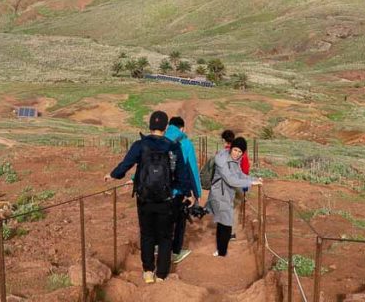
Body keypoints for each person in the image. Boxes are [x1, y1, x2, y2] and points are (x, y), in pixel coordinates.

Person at [106, 110, 196, 283]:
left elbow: (125, 165)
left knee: (147, 234)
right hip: (166, 200)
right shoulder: (173, 146)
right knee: (165, 237)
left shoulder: (140, 145)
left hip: (144, 198)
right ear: (165, 127)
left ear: (150, 125)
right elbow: (183, 173)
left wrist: (113, 175)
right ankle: (161, 275)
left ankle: (148, 271)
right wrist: (188, 193)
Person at [206, 136, 261, 257]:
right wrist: (250, 183)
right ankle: (222, 252)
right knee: (226, 224)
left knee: (222, 223)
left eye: (240, 151)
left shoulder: (236, 161)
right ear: (231, 148)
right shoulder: (222, 160)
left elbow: (239, 174)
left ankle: (220, 251)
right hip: (219, 195)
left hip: (226, 194)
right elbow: (231, 180)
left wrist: (253, 179)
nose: (237, 153)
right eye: (235, 149)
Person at [164, 116, 200, 265]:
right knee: (179, 221)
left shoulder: (160, 140)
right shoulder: (186, 143)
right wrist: (196, 193)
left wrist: (134, 179)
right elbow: (192, 169)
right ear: (182, 128)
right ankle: (175, 252)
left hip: (161, 190)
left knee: (163, 221)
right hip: (178, 191)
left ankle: (159, 248)